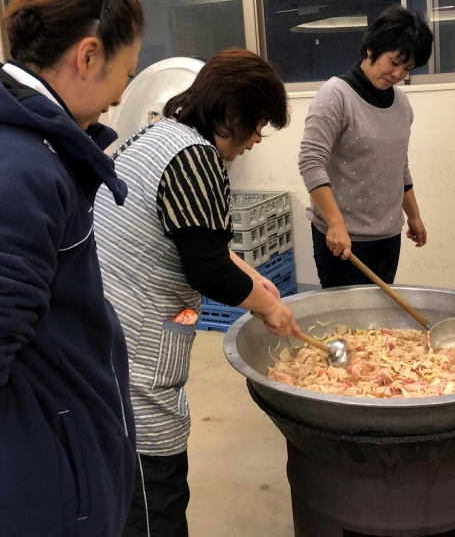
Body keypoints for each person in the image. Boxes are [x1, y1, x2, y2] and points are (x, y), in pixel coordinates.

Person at [0, 0, 144, 537]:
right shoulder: (14, 165)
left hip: (53, 453)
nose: (121, 95)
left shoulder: (26, 144)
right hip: (41, 480)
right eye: (126, 74)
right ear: (88, 56)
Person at [93, 47, 300, 537]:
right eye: (257, 125)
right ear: (231, 113)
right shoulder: (194, 157)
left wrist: (255, 280)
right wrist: (270, 307)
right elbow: (208, 271)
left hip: (105, 343)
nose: (256, 139)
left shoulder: (158, 135)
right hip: (135, 357)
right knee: (153, 501)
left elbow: (194, 240)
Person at [298, 5, 433, 288]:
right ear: (372, 48)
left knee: (380, 314)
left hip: (388, 236)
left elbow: (399, 167)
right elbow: (311, 162)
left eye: (407, 68)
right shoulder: (335, 95)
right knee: (346, 316)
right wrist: (335, 224)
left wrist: (414, 216)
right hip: (343, 238)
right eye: (394, 62)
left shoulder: (402, 104)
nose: (398, 74)